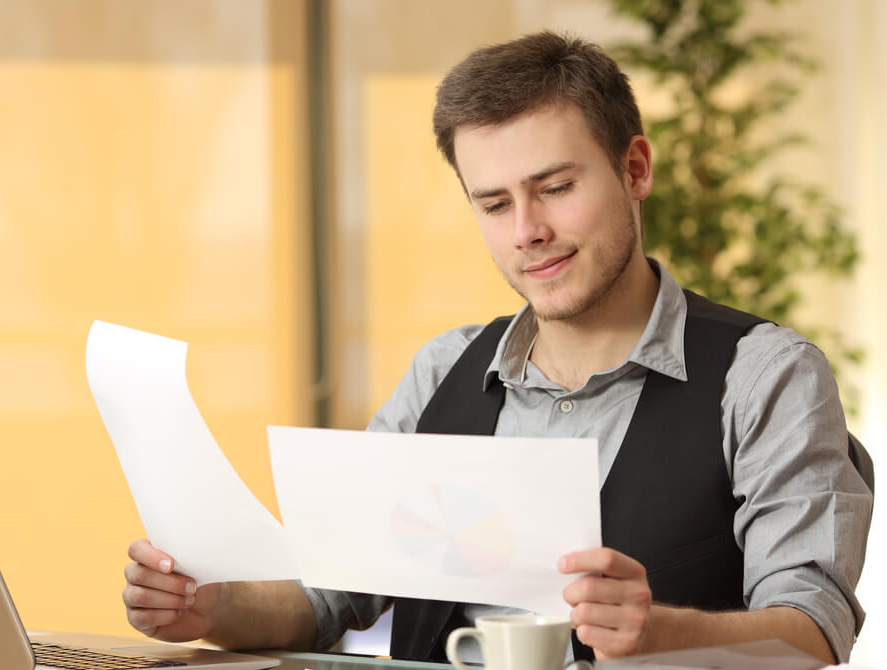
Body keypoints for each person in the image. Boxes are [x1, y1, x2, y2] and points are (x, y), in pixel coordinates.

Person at [121, 31, 871, 664]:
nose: (526, 232)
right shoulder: (443, 369)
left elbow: (814, 632)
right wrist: (208, 609)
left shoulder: (763, 375)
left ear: (634, 169)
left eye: (554, 187)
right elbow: (330, 592)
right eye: (494, 203)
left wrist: (660, 633)